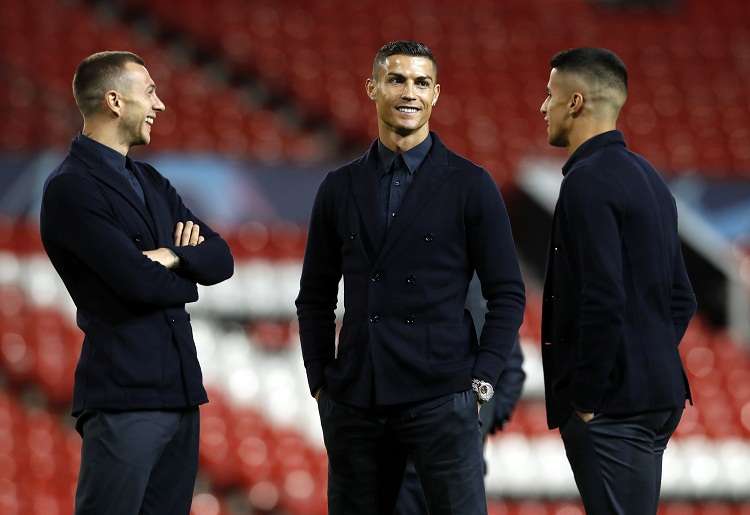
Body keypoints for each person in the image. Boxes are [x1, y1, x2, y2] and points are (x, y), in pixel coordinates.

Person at [296, 40, 525, 515]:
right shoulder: (338, 187)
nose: (409, 92)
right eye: (396, 79)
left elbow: (507, 293)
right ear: (372, 87)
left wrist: (483, 382)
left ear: (436, 94)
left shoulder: (471, 184)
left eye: (421, 82)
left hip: (443, 399)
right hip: (357, 401)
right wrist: (321, 381)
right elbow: (314, 296)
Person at [40, 51, 234, 515]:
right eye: (149, 91)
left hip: (181, 393)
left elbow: (221, 258)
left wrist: (170, 256)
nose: (160, 104)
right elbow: (136, 282)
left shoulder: (151, 180)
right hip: (124, 399)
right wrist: (186, 271)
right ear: (114, 100)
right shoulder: (71, 188)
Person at [539, 47, 696, 514]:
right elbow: (682, 299)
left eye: (549, 95)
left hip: (613, 409)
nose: (542, 107)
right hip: (653, 397)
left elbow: (602, 298)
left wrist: (587, 398)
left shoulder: (587, 181)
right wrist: (643, 357)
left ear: (576, 101)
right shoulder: (650, 178)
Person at [395, 274, 526, 515]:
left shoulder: (484, 286)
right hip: (411, 471)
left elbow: (512, 369)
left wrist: (480, 416)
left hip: (451, 465)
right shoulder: (484, 285)